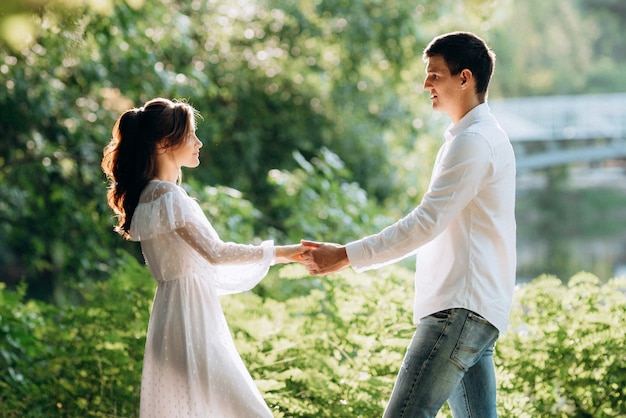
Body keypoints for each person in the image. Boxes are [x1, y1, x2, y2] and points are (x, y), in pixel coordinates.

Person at [302, 32, 516, 417]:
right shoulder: (479, 137)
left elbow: (425, 223)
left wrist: (346, 256)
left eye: (435, 74)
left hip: (459, 310)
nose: (426, 84)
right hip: (477, 310)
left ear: (464, 78)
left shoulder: (474, 142)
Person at [101, 97, 303, 417]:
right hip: (190, 320)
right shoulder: (168, 196)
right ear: (166, 142)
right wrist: (285, 253)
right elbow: (216, 253)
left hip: (174, 316)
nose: (199, 143)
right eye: (191, 135)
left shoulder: (150, 196)